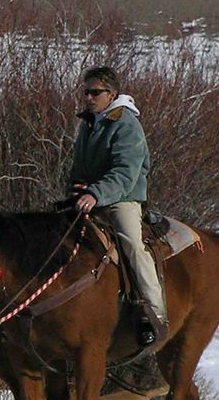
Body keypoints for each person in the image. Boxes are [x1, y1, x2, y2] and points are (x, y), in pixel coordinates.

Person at [70, 65, 167, 347]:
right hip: (92, 196)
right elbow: (78, 166)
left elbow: (126, 172)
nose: (88, 97)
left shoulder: (126, 123)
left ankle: (153, 311)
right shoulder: (89, 123)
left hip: (123, 197)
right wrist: (76, 187)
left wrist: (96, 193)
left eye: (95, 92)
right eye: (86, 91)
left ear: (111, 93)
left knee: (132, 245)